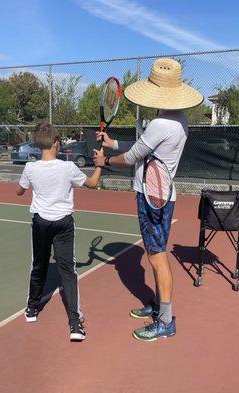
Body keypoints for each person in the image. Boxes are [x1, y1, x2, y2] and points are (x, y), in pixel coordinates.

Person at [94, 58, 203, 341]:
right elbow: (144, 147)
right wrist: (113, 143)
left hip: (153, 197)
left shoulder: (160, 123)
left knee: (156, 257)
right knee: (157, 254)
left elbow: (133, 158)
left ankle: (166, 321)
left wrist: (105, 159)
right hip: (163, 194)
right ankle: (158, 306)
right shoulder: (178, 121)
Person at [16, 123, 103, 342]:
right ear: (57, 144)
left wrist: (23, 186)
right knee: (68, 270)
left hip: (40, 224)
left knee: (39, 264)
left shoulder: (30, 168)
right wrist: (99, 165)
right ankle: (75, 324)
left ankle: (32, 309)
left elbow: (19, 191)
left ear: (37, 145)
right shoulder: (68, 168)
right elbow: (92, 183)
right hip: (64, 223)